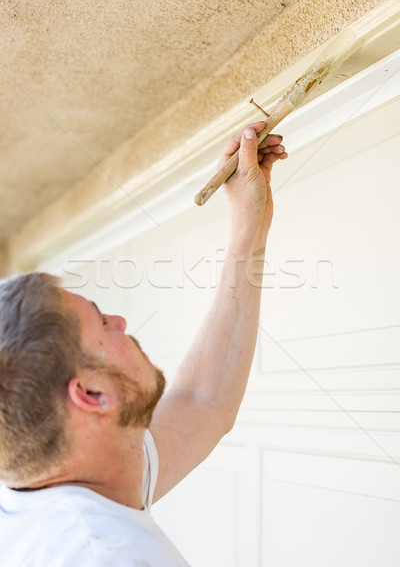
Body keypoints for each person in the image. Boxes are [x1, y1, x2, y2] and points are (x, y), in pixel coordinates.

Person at [0, 122, 287, 566]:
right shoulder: (110, 555)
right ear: (92, 394)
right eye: (102, 322)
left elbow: (203, 402)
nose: (120, 320)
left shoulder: (57, 482)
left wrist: (249, 225)